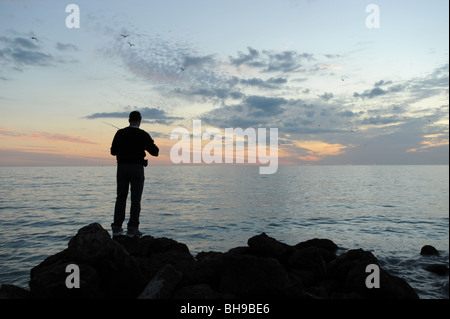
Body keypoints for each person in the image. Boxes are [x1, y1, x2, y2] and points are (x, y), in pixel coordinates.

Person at [110, 111, 159, 238]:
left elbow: (112, 151)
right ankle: (132, 228)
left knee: (121, 197)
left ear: (129, 120)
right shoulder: (143, 135)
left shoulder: (120, 133)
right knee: (136, 199)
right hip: (137, 168)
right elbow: (155, 152)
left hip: (122, 168)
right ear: (140, 120)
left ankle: (116, 227)